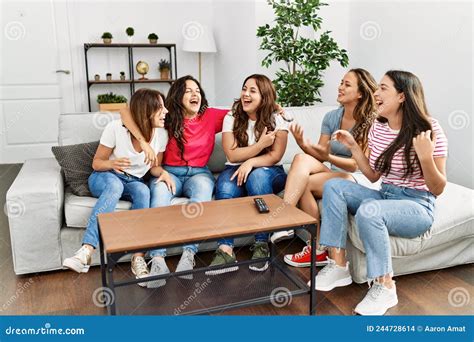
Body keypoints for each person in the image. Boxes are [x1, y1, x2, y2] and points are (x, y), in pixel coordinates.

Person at [314, 70, 448, 315]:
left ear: (402, 96)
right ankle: (339, 265)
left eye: (383, 88)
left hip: (418, 205)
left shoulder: (429, 128)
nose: (376, 93)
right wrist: (354, 147)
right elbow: (374, 175)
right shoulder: (378, 126)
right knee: (333, 186)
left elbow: (438, 188)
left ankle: (385, 286)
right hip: (386, 194)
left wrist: (426, 157)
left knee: (369, 211)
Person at [120, 76, 229, 287]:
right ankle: (158, 259)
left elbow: (243, 111)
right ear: (178, 96)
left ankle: (189, 255)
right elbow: (125, 112)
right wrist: (144, 142)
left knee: (204, 191)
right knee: (159, 193)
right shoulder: (167, 116)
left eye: (197, 90)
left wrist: (275, 108)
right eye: (188, 91)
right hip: (168, 172)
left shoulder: (211, 116)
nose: (195, 94)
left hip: (199, 173)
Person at [63, 89, 173, 288]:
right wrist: (112, 165)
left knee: (144, 191)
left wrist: (163, 173)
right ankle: (86, 251)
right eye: (160, 107)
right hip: (105, 176)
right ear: (146, 110)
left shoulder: (162, 135)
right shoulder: (116, 128)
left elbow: (154, 165)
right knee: (114, 185)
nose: (166, 111)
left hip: (133, 181)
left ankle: (137, 258)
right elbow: (97, 163)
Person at [279, 69, 378, 268]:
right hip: (333, 173)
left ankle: (312, 244)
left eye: (347, 84)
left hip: (356, 178)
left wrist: (327, 156)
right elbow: (319, 154)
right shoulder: (332, 117)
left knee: (303, 182)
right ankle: (293, 226)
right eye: (341, 82)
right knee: (300, 158)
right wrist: (303, 144)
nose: (340, 87)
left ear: (360, 93)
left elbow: (356, 164)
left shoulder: (370, 121)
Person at [206, 74, 288, 274]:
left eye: (252, 91)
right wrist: (260, 146)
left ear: (265, 96)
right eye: (244, 89)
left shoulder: (278, 118)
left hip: (268, 171)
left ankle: (261, 245)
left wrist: (250, 162)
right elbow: (232, 155)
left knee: (257, 177)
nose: (245, 94)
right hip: (235, 168)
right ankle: (225, 249)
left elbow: (276, 155)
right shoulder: (232, 117)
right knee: (225, 188)